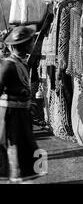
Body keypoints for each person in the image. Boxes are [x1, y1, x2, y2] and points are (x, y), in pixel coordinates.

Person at [0, 26, 40, 182]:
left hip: (22, 114)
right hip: (11, 116)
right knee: (14, 147)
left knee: (25, 148)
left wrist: (28, 103)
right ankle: (16, 178)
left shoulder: (23, 63)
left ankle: (22, 177)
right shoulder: (7, 65)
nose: (32, 45)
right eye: (30, 42)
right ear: (23, 45)